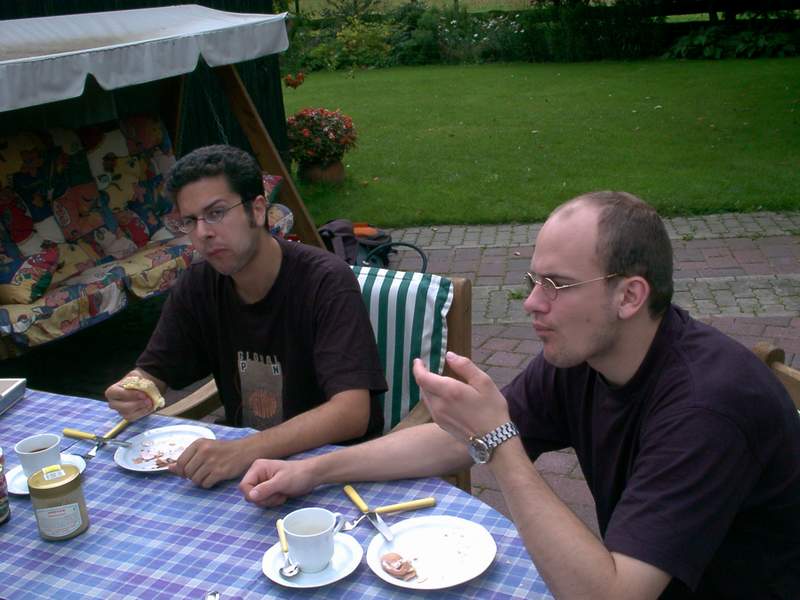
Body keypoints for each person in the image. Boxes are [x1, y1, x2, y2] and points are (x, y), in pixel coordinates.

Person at [238, 191, 800, 599]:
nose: (532, 303)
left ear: (630, 296)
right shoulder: (587, 356)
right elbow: (456, 441)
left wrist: (500, 443)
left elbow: (612, 595)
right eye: (533, 281)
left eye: (556, 284)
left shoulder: (707, 407)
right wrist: (313, 471)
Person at [105, 145, 387, 488]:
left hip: (333, 475)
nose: (203, 233)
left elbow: (352, 413)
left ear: (257, 210)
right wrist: (133, 388)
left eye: (216, 212)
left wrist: (243, 451)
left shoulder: (324, 281)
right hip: (245, 477)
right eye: (190, 221)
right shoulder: (199, 284)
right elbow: (154, 371)